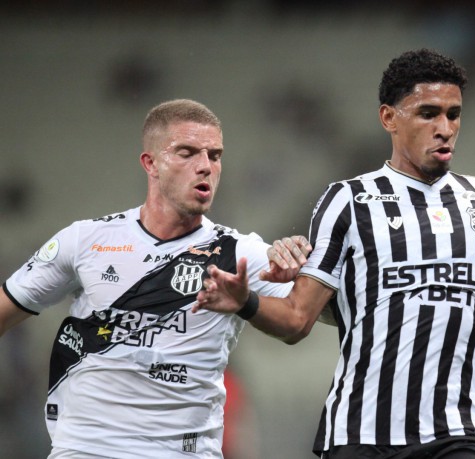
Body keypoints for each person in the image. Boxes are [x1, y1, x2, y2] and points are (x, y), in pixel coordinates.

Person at [195, 49, 475, 459]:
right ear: (389, 118)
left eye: (454, 114)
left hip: (459, 433)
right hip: (362, 434)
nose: (445, 127)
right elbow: (296, 321)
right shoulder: (348, 202)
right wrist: (246, 303)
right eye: (428, 113)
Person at [0, 99, 309, 458]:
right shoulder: (85, 241)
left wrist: (251, 299)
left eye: (214, 155)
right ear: (151, 163)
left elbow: (297, 321)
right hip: (86, 449)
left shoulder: (241, 253)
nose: (205, 167)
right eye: (187, 153)